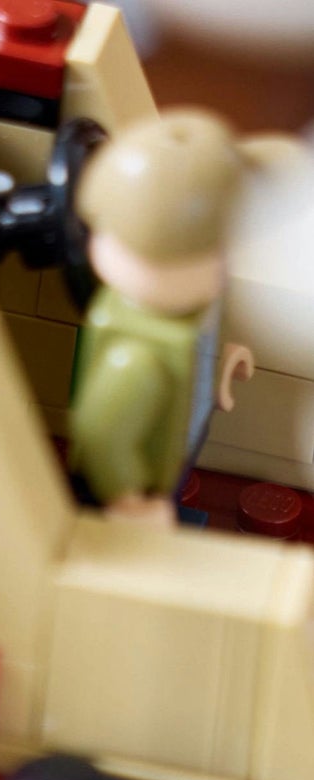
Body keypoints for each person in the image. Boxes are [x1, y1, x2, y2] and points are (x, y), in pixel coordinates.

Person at [68, 110, 259, 521]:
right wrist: (128, 499)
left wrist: (220, 365)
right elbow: (103, 435)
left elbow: (198, 346)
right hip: (140, 492)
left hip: (180, 445)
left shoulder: (193, 311)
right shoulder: (137, 358)